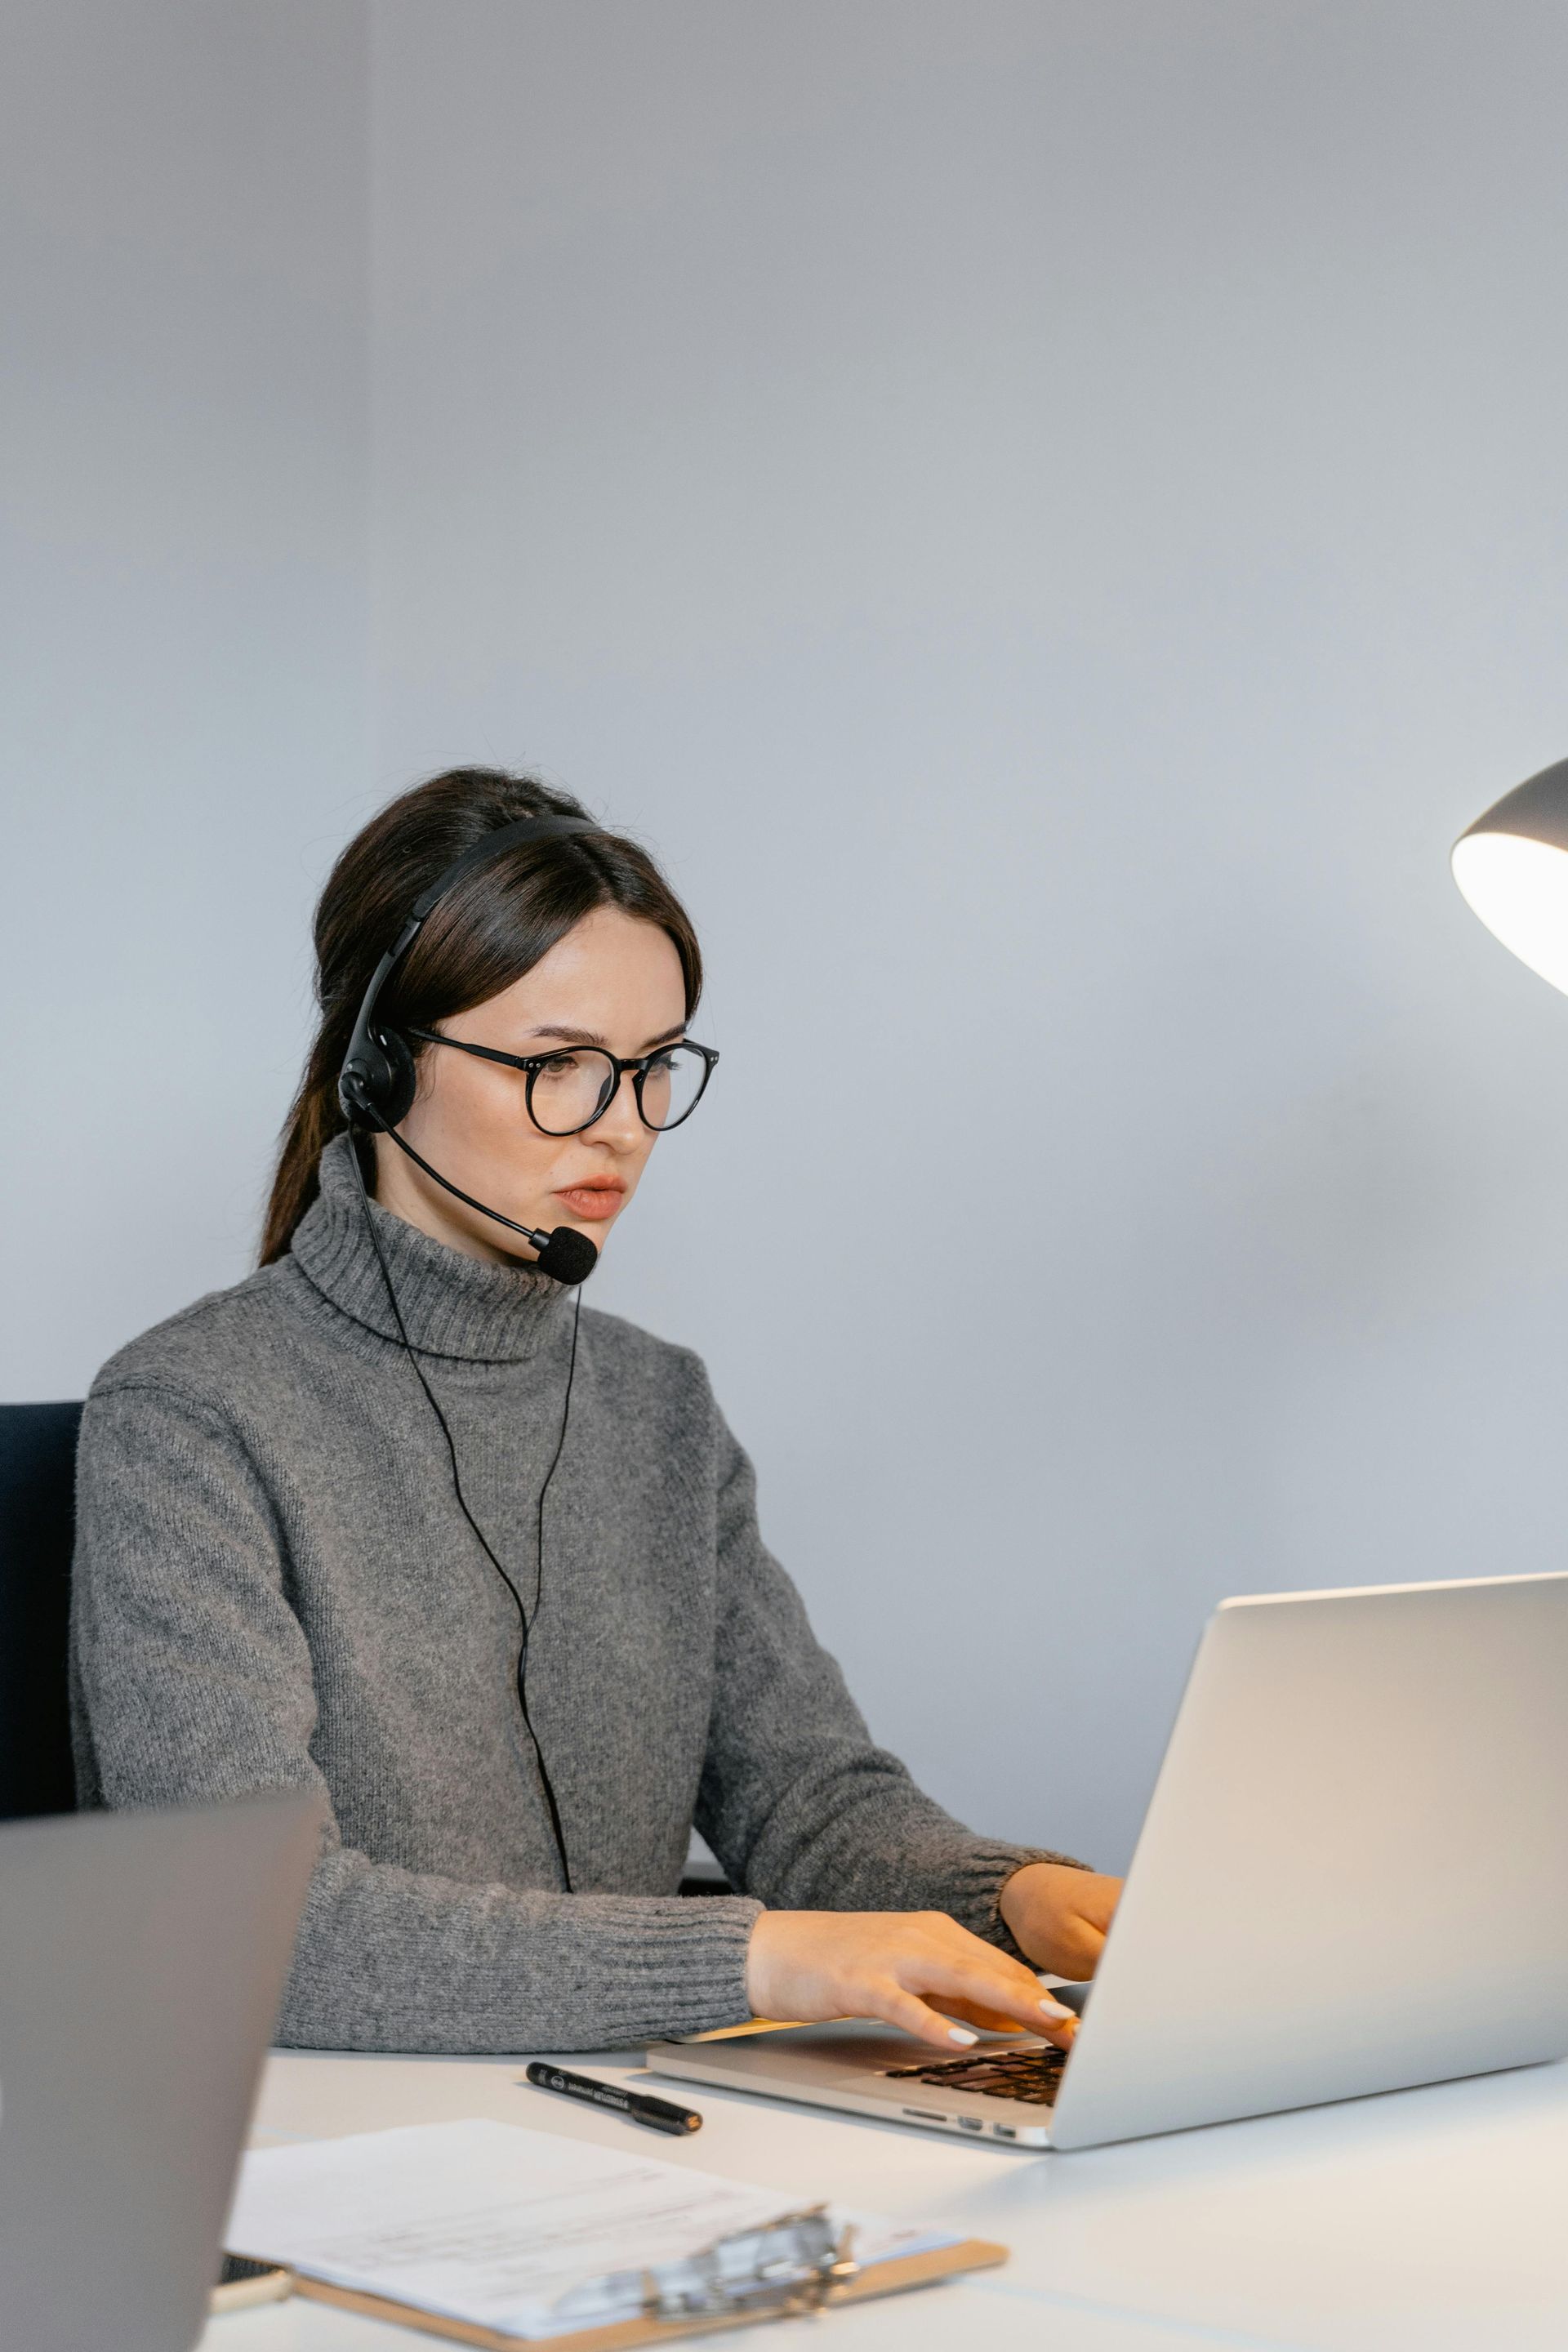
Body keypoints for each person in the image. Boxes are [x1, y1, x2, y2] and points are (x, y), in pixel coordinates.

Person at [71, 768, 1121, 2056]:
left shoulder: (658, 1407)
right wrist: (755, 1954)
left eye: (653, 1068)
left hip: (639, 2121)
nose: (622, 1128)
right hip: (351, 2148)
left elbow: (803, 1801)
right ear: (384, 1064)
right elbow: (258, 1932)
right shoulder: (193, 1414)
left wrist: (1014, 1897)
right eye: (560, 1064)